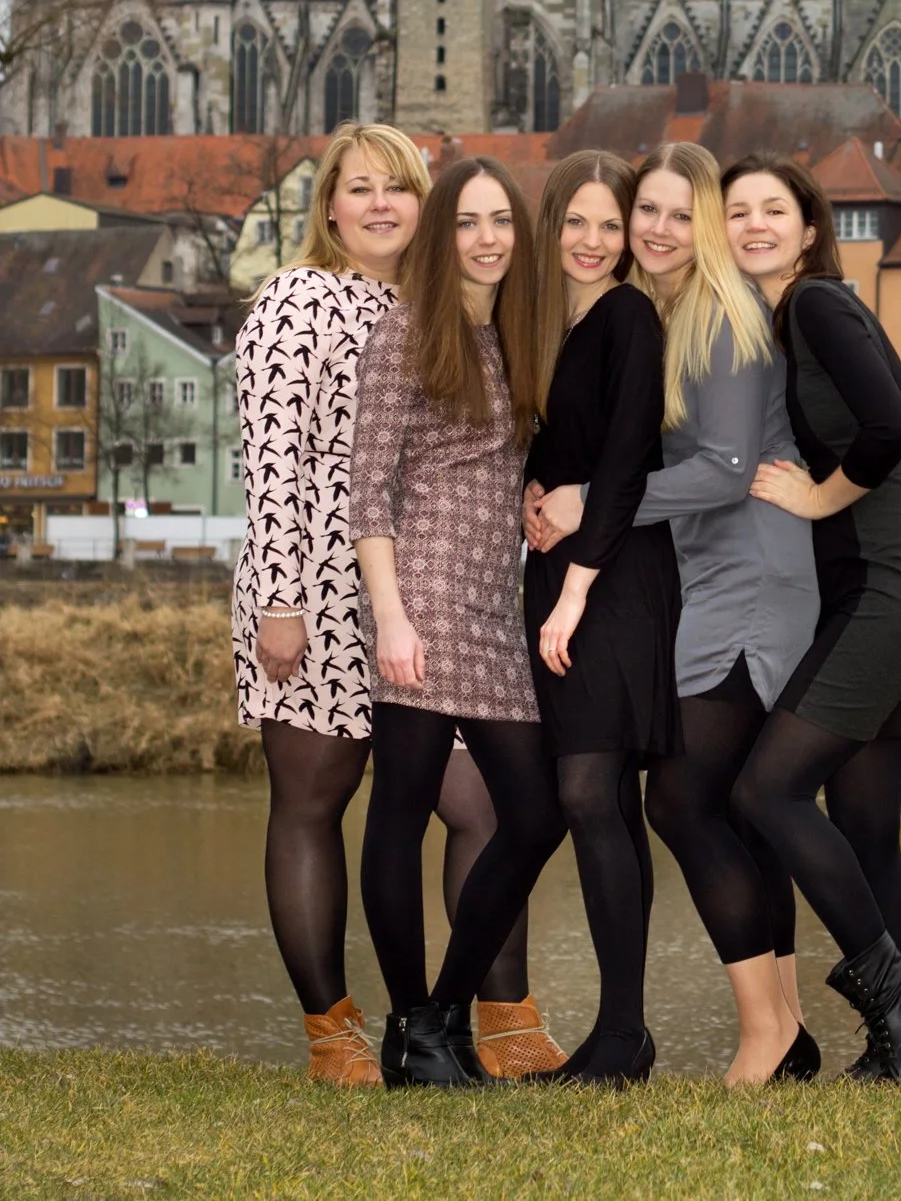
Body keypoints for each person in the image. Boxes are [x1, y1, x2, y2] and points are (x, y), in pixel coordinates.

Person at [232, 123, 558, 1084]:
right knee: (313, 800)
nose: (380, 204)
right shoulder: (297, 300)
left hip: (429, 596)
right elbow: (274, 463)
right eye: (359, 187)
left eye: (399, 188)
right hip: (320, 590)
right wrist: (283, 601)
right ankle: (331, 1029)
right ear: (327, 204)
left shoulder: (442, 305)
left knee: (485, 805)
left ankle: (492, 1015)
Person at [526, 143, 821, 1085]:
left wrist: (593, 507)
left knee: (685, 798)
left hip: (751, 583)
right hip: (715, 583)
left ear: (701, 221)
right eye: (639, 212)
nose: (651, 230)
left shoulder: (723, 319)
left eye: (668, 213)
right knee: (721, 803)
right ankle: (789, 1027)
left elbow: (725, 471)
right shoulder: (672, 313)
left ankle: (765, 1033)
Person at [724, 156, 901, 1084]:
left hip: (886, 595)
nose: (753, 224)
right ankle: (899, 1056)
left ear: (810, 226)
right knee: (866, 831)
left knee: (763, 793)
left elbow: (892, 425)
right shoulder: (792, 318)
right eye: (737, 210)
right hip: (899, 595)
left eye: (772, 209)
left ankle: (895, 992)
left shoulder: (817, 306)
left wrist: (819, 500)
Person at [352, 156, 566, 1089]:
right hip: (425, 597)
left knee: (534, 814)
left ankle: (439, 1012)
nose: (486, 238)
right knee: (399, 812)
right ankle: (412, 1026)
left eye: (500, 221)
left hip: (494, 603)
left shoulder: (516, 336)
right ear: (442, 237)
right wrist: (389, 616)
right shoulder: (406, 329)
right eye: (467, 222)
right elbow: (367, 491)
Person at [520, 150, 681, 1088]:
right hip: (555, 569)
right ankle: (620, 1035)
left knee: (588, 790)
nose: (591, 241)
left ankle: (622, 1032)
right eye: (575, 223)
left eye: (608, 226)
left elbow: (625, 460)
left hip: (615, 574)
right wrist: (524, 497)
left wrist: (578, 585)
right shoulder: (543, 321)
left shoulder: (627, 315)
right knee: (605, 798)